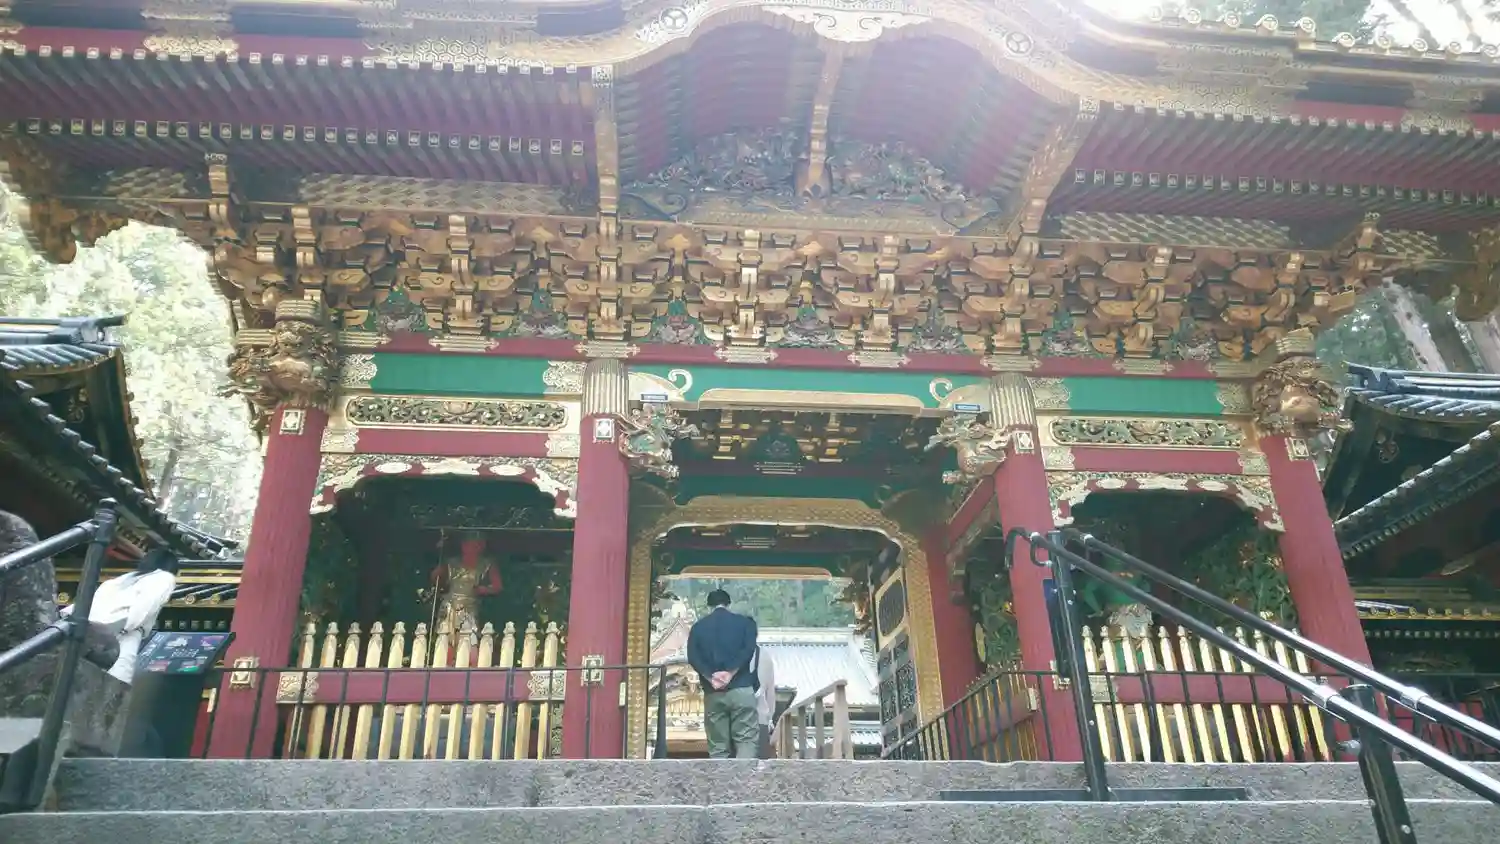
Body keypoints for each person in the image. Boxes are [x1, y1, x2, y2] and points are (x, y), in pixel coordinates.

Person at [62, 548, 178, 684]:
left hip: (90, 629)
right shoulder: (165, 577)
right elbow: (147, 605)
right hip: (123, 630)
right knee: (118, 678)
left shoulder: (119, 580)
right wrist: (125, 627)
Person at [686, 588, 759, 759]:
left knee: (718, 746)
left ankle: (720, 777)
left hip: (714, 692)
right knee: (746, 740)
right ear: (728, 603)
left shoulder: (698, 628)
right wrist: (730, 673)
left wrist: (711, 677)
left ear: (709, 605)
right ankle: (744, 775)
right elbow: (749, 650)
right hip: (741, 689)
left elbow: (693, 657)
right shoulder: (745, 624)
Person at [753, 644, 776, 758]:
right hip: (760, 718)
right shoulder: (764, 655)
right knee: (759, 764)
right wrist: (770, 717)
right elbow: (770, 693)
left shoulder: (728, 652)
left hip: (733, 719)